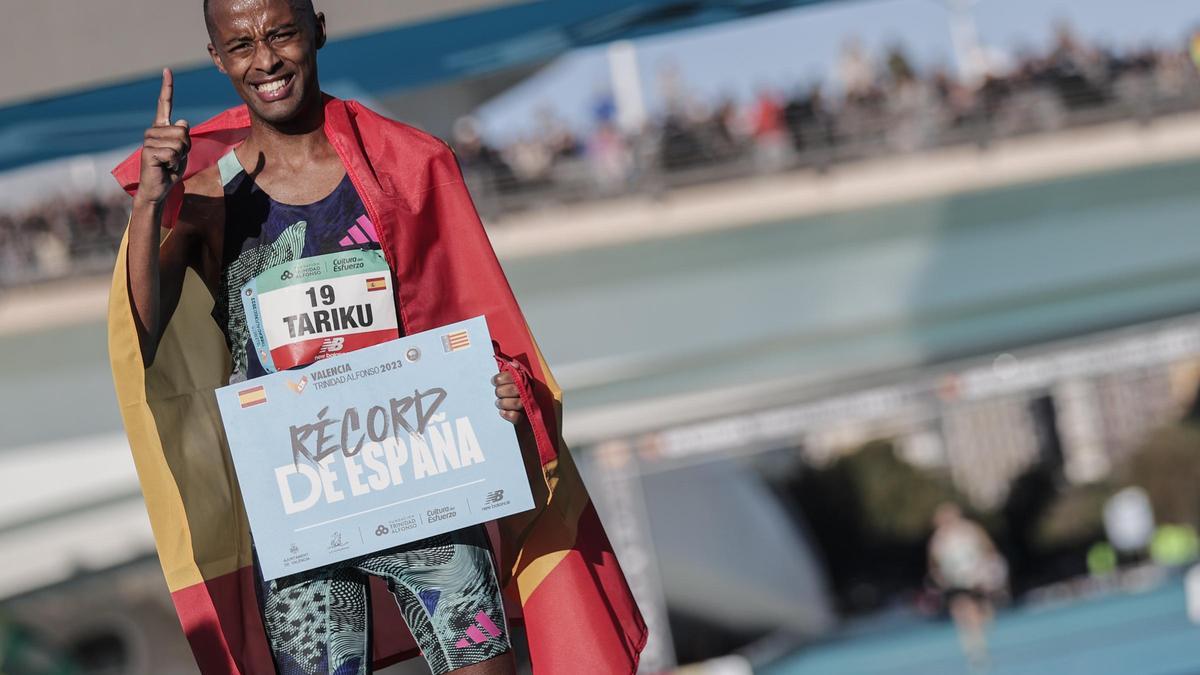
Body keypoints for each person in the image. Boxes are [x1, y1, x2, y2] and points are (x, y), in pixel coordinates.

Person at [107, 1, 646, 673]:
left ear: (318, 31)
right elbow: (142, 336)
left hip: (420, 477)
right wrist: (150, 204)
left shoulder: (408, 164)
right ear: (218, 58)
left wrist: (502, 385)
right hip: (300, 503)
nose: (266, 60)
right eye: (241, 45)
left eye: (281, 33)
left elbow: (471, 314)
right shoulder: (211, 200)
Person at [927, 503, 1006, 670]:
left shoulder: (971, 531)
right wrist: (940, 578)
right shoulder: (937, 540)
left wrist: (988, 569)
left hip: (976, 578)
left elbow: (989, 549)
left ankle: (980, 635)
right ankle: (974, 650)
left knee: (982, 613)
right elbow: (933, 564)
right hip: (955, 582)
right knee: (962, 612)